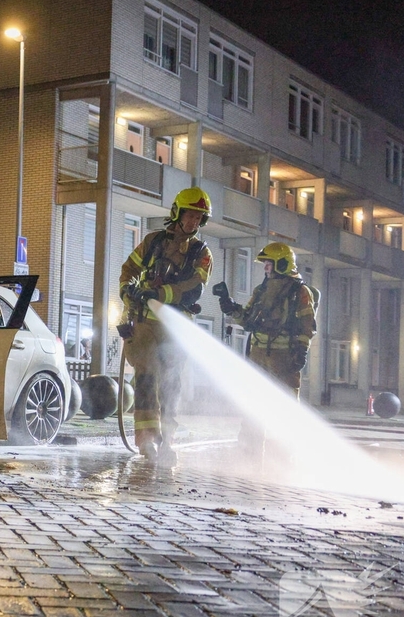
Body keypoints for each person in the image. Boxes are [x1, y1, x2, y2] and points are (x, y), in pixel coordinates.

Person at [119, 187, 214, 466]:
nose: (194, 222)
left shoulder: (201, 252)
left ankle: (167, 444)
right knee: (146, 380)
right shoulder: (152, 242)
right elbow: (129, 270)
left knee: (170, 384)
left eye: (199, 218)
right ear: (177, 213)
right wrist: (128, 293)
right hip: (146, 322)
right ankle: (147, 441)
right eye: (190, 215)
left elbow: (194, 289)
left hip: (176, 327)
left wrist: (159, 294)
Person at [216, 241, 318, 455]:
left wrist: (301, 351)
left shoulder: (300, 292)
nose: (265, 268)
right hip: (257, 357)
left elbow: (307, 326)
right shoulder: (261, 290)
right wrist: (230, 306)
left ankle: (285, 459)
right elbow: (249, 321)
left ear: (281, 264)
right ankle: (248, 455)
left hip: (285, 360)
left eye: (268, 264)